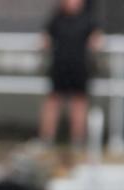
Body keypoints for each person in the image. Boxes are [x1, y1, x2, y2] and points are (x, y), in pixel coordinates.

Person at [38, 0, 103, 150]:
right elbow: (45, 39)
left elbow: (97, 39)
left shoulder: (89, 20)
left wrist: (96, 43)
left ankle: (77, 141)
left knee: (78, 104)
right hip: (59, 67)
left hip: (79, 68)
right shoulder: (56, 19)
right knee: (53, 103)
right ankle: (46, 140)